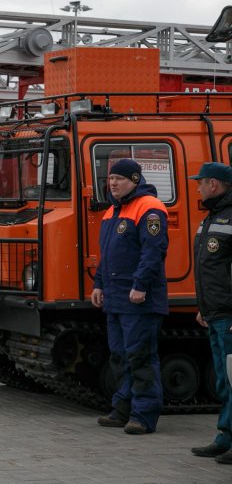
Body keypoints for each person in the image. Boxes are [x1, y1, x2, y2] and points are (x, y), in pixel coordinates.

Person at [91, 158, 168, 435]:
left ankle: (144, 415)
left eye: (119, 179)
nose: (112, 183)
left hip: (139, 298)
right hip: (116, 297)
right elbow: (107, 256)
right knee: (120, 356)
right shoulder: (112, 211)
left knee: (140, 356)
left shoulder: (149, 209)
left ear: (134, 180)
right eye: (110, 179)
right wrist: (98, 284)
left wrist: (140, 285)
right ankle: (122, 409)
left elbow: (152, 252)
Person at [188, 162, 232, 463]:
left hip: (229, 315)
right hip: (215, 313)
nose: (198, 187)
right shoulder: (211, 218)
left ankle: (226, 437)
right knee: (223, 380)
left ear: (214, 185)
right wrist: (203, 308)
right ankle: (226, 436)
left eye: (201, 183)